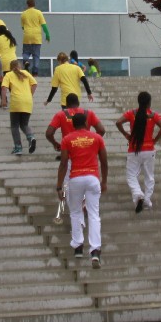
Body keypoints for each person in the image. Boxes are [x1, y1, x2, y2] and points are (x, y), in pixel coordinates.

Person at [56, 112, 108, 267]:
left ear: (73, 125)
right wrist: (104, 181)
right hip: (93, 178)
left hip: (76, 179)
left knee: (75, 212)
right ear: (86, 123)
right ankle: (95, 251)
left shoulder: (67, 139)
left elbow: (63, 164)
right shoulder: (97, 138)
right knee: (94, 214)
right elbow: (104, 161)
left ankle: (78, 246)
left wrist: (59, 186)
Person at [115, 91, 161, 214]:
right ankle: (147, 200)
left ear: (138, 101)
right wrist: (155, 140)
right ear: (149, 102)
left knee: (131, 175)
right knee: (149, 176)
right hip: (149, 149)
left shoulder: (131, 113)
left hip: (134, 149)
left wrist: (126, 134)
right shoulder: (153, 115)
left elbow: (118, 122)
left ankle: (138, 194)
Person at [0, 59, 38, 155]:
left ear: (10, 67)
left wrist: (3, 101)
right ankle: (31, 137)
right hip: (28, 101)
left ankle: (18, 147)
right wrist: (30, 95)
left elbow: (3, 88)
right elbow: (34, 84)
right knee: (24, 124)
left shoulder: (8, 75)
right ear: (20, 66)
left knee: (14, 126)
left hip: (16, 101)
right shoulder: (26, 73)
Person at [19, 0, 49, 75]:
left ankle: (26, 61)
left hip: (27, 36)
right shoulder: (38, 13)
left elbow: (22, 27)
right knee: (36, 55)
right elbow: (44, 25)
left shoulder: (23, 14)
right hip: (37, 37)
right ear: (34, 4)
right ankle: (35, 71)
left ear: (27, 4)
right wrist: (47, 34)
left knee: (26, 53)